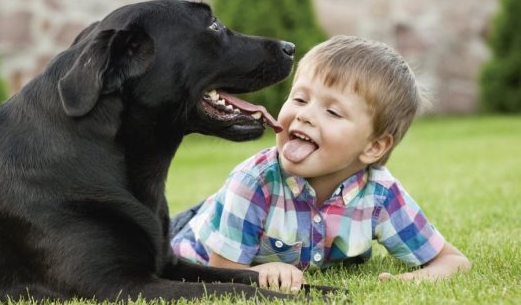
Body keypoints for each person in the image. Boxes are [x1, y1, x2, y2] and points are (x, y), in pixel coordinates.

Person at [170, 35, 471, 293]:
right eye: (300, 99)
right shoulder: (255, 181)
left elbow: (452, 260)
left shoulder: (380, 193)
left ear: (373, 146)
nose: (304, 115)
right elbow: (223, 272)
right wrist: (264, 271)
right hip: (193, 241)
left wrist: (416, 279)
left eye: (333, 112)